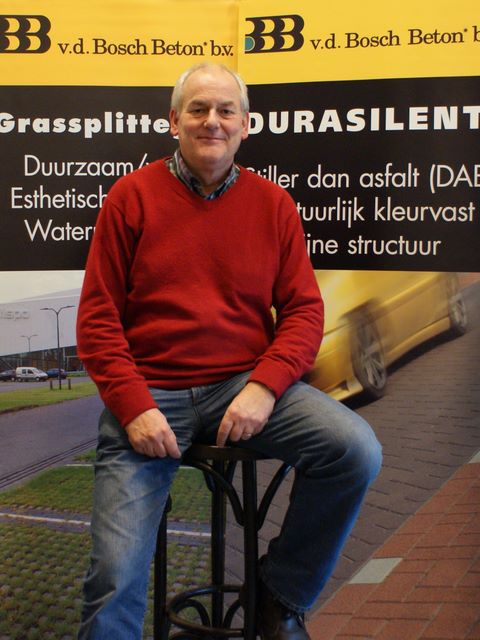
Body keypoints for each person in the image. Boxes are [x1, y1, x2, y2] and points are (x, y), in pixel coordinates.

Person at [76, 62, 382, 640]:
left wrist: (264, 387)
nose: (211, 121)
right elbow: (96, 320)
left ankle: (279, 595)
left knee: (355, 450)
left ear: (245, 124)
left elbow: (304, 312)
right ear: (174, 121)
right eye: (198, 109)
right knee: (114, 579)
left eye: (225, 110)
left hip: (242, 384)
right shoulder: (130, 198)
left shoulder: (273, 204)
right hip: (150, 394)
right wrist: (134, 406)